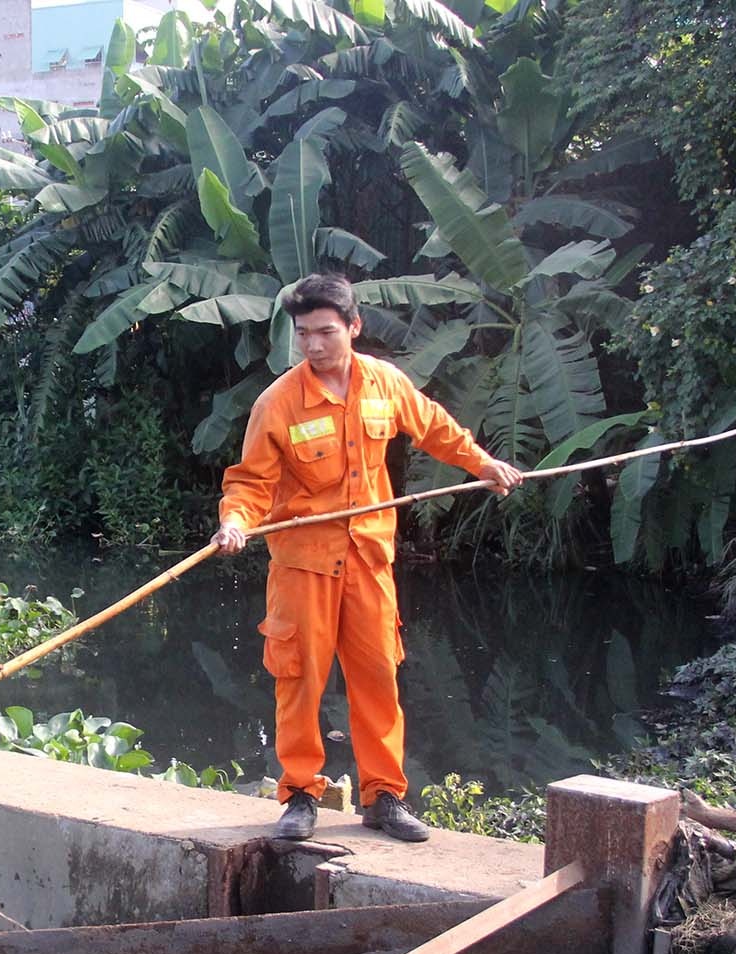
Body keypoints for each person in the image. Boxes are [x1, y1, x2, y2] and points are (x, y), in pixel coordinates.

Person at [211, 273, 524, 843]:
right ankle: (300, 793)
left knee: (378, 677)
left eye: (325, 332)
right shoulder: (277, 403)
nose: (313, 345)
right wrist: (235, 522)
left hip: (368, 560)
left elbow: (433, 427)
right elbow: (251, 482)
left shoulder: (385, 384)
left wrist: (482, 464)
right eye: (303, 334)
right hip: (303, 563)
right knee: (299, 678)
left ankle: (384, 798)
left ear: (354, 327)